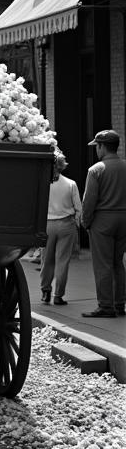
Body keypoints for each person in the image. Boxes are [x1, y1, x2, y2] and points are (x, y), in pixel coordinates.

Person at [80, 129, 126, 318]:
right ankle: (119, 303)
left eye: (97, 146)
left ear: (101, 147)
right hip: (124, 218)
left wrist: (86, 221)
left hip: (103, 220)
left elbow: (89, 200)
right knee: (118, 263)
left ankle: (106, 306)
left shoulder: (96, 169)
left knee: (103, 264)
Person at [39, 153, 81, 306]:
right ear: (62, 165)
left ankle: (45, 291)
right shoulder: (70, 184)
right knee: (62, 261)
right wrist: (77, 224)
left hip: (48, 224)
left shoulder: (43, 184)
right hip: (66, 224)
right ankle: (58, 295)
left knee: (46, 259)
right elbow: (78, 208)